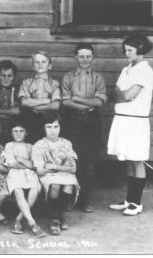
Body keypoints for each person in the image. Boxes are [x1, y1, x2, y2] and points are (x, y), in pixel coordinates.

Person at [108, 35, 153, 216]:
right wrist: (121, 94)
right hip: (123, 119)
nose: (126, 53)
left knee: (136, 160)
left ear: (141, 49)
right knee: (127, 159)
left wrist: (122, 94)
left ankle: (137, 203)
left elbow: (127, 95)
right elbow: (115, 92)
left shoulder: (146, 71)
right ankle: (129, 200)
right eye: (125, 49)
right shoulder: (126, 69)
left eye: (130, 50)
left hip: (136, 120)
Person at [61, 43, 107, 213]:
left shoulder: (98, 78)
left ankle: (85, 201)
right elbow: (65, 101)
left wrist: (77, 97)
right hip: (72, 119)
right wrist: (86, 101)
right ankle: (69, 200)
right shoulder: (68, 77)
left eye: (88, 56)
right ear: (75, 57)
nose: (85, 60)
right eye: (81, 56)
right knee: (72, 160)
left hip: (92, 120)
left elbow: (99, 101)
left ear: (93, 57)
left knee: (89, 162)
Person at [32, 112, 79, 236]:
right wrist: (63, 168)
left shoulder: (67, 143)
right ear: (44, 128)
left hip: (60, 173)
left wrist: (53, 166)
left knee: (69, 184)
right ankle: (56, 218)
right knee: (56, 184)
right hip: (48, 176)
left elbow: (73, 169)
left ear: (60, 128)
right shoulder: (39, 145)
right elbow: (40, 170)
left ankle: (56, 217)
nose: (52, 130)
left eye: (55, 126)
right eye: (49, 127)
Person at [4, 122, 44, 237]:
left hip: (30, 173)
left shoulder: (31, 146)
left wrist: (20, 159)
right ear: (11, 133)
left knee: (34, 189)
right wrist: (27, 164)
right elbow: (11, 164)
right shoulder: (9, 145)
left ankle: (18, 219)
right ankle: (33, 224)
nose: (18, 134)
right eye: (15, 131)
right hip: (15, 173)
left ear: (26, 133)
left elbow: (34, 165)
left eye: (21, 131)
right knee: (18, 190)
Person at [19, 51, 61, 143]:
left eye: (44, 62)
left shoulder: (54, 83)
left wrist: (33, 104)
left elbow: (55, 105)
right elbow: (24, 102)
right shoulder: (26, 83)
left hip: (48, 120)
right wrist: (47, 100)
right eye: (37, 62)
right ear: (33, 66)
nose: (40, 64)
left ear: (50, 66)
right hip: (30, 120)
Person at [0, 60, 20, 145]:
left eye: (9, 76)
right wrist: (10, 112)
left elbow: (17, 111)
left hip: (13, 125)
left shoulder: (18, 91)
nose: (6, 79)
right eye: (3, 75)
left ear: (14, 77)